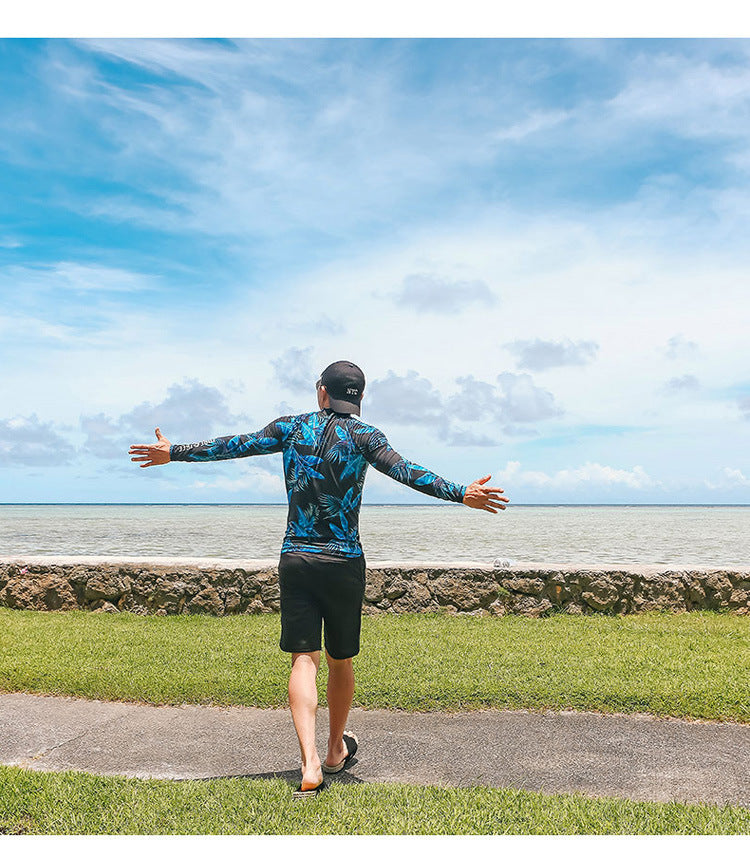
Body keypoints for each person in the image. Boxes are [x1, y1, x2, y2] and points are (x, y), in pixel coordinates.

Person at [128, 360, 509, 798]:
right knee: (340, 660)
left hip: (297, 558)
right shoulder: (367, 436)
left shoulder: (291, 427)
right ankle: (333, 750)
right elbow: (407, 471)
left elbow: (235, 445)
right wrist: (461, 492)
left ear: (321, 391)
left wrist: (175, 451)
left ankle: (310, 763)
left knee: (302, 660)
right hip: (344, 563)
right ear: (359, 398)